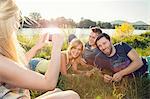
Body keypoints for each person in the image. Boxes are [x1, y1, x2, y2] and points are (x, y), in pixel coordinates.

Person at [0, 0, 80, 98]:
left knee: (57, 90)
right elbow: (49, 83)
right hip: (39, 66)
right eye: (16, 19)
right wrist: (57, 46)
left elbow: (17, 66)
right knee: (72, 95)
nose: (17, 25)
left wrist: (38, 46)